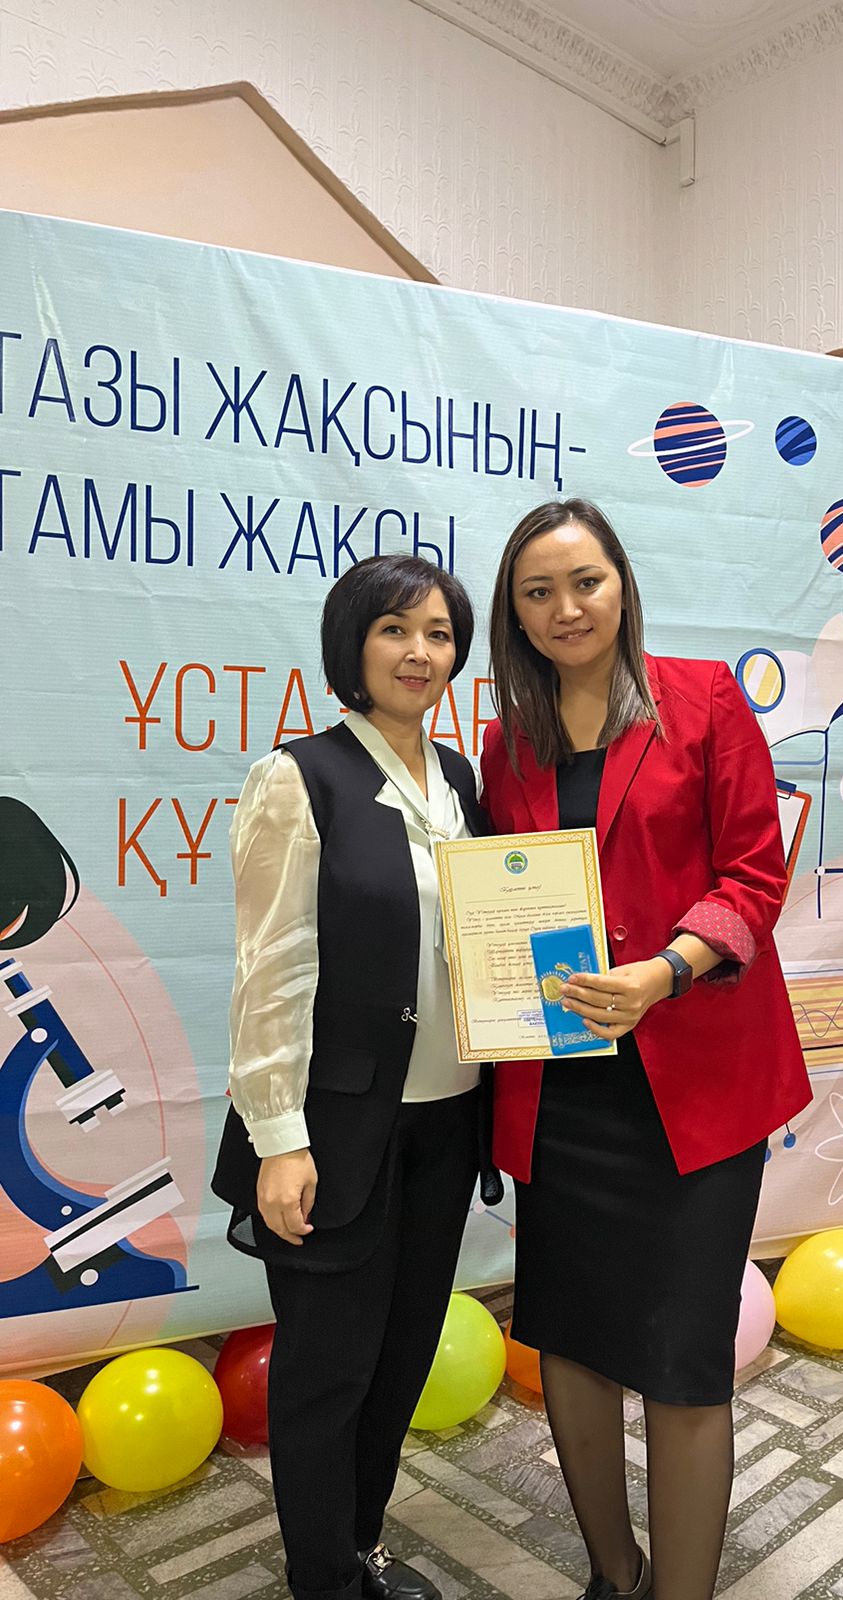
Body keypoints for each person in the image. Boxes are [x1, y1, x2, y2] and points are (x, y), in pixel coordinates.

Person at [481, 499, 812, 1600]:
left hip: (693, 1089)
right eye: (538, 592)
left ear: (622, 583)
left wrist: (663, 970)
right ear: (515, 615)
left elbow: (755, 877)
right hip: (561, 1091)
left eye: (585, 581)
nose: (566, 608)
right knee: (569, 1338)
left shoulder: (703, 699)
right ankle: (613, 1574)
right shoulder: (508, 741)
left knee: (682, 1358)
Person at [212, 554, 500, 1600]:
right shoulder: (301, 777)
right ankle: (323, 1580)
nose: (419, 652)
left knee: (402, 1353)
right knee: (328, 1369)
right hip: (332, 1131)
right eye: (395, 630)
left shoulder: (461, 782)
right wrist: (280, 1138)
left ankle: (361, 1544)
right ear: (353, 645)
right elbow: (270, 972)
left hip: (447, 1123)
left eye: (438, 633)